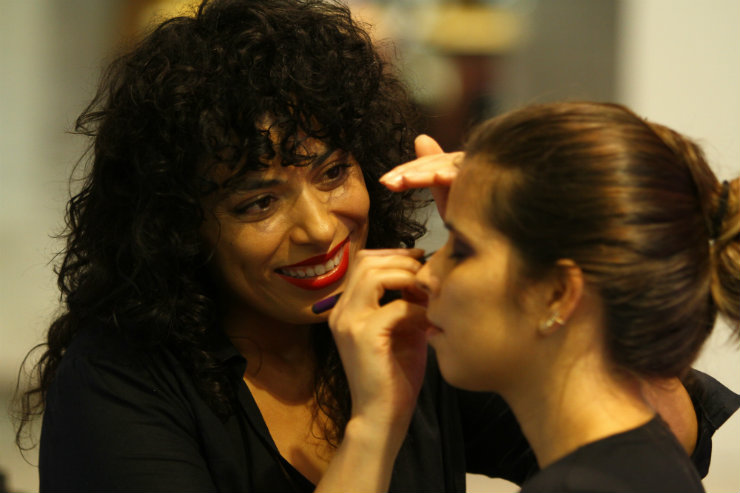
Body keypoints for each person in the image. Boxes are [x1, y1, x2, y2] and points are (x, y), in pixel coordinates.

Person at [12, 0, 736, 489]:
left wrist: (524, 232)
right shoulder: (124, 379)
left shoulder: (411, 310)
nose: (321, 227)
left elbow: (650, 437)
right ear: (178, 225)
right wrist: (374, 422)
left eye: (333, 172)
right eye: (259, 201)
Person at [330, 101, 740, 492]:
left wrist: (369, 424)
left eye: (461, 250)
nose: (426, 273)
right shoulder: (639, 458)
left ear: (557, 294)